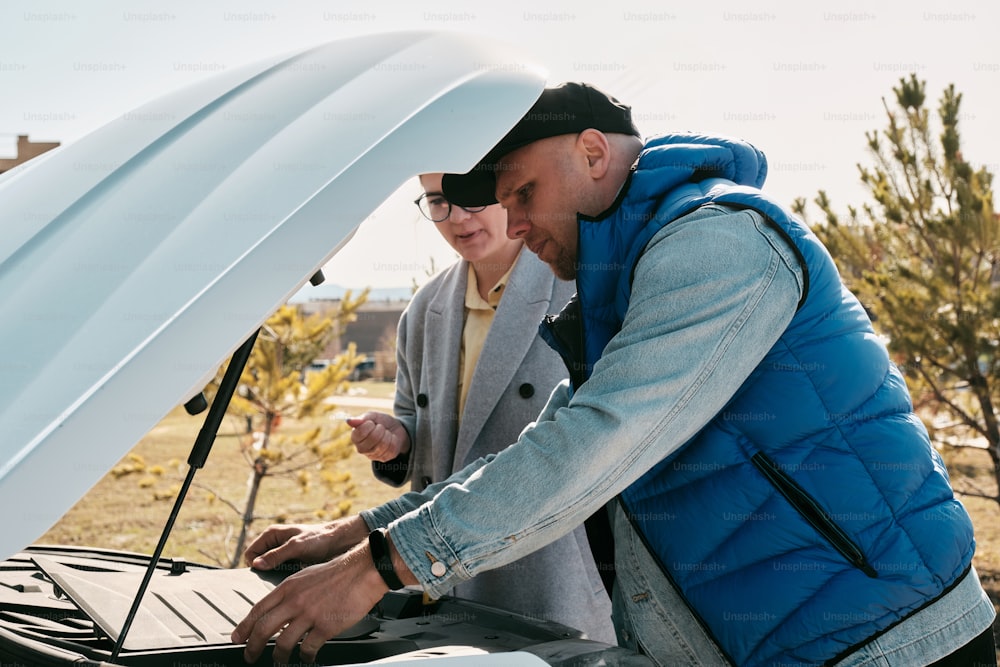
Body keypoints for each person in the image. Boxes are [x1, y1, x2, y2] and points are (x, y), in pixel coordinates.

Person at [232, 83, 997, 666]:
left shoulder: (720, 241)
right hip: (781, 638)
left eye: (523, 193)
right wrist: (358, 529)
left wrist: (377, 569)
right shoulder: (629, 282)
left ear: (594, 153)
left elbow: (593, 445)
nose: (515, 222)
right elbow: (531, 449)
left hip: (890, 639)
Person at [344, 172, 613, 642]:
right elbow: (415, 419)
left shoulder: (576, 290)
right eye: (437, 202)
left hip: (547, 572)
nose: (458, 219)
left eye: (471, 199)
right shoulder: (424, 308)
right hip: (441, 573)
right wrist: (397, 438)